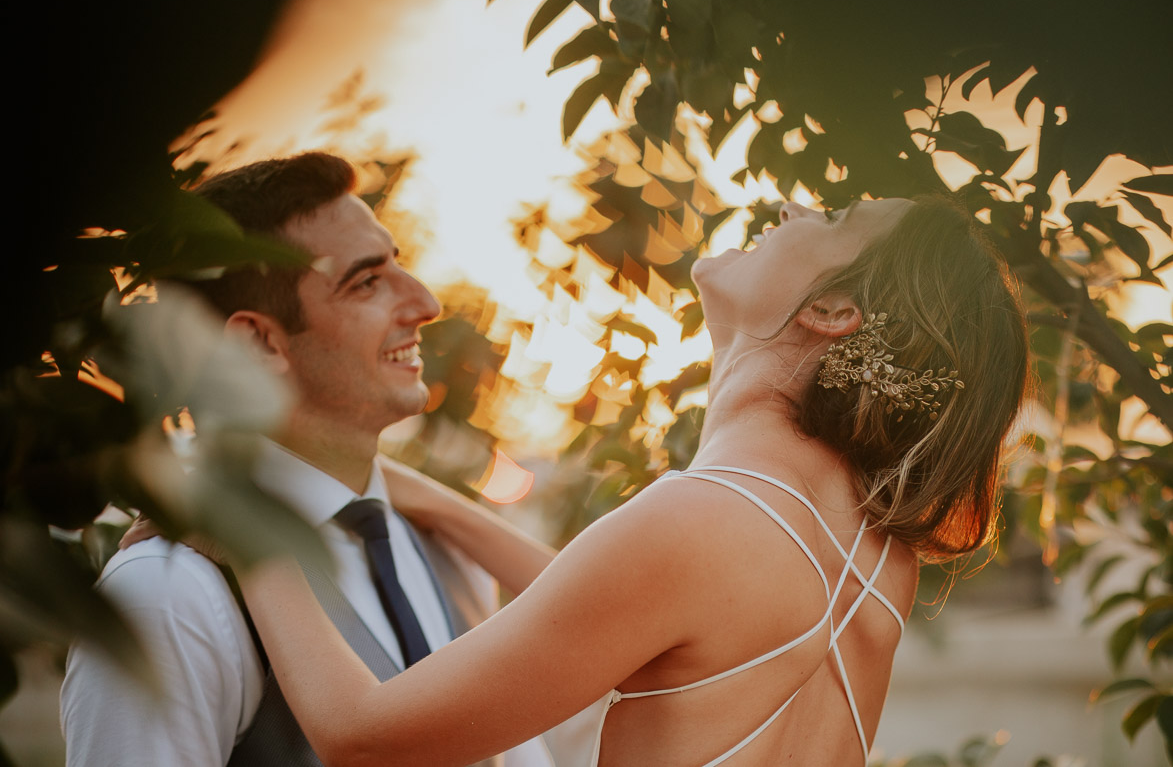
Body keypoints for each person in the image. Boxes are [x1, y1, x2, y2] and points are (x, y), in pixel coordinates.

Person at [219, 193, 1029, 766]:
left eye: (834, 218)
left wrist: (245, 528)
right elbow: (625, 619)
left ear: (832, 311)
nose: (791, 208)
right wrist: (437, 503)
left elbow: (364, 739)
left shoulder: (697, 527)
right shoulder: (872, 551)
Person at [60, 152, 578, 767]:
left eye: (398, 265)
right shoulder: (168, 597)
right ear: (258, 341)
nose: (425, 303)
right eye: (366, 281)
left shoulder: (444, 549)